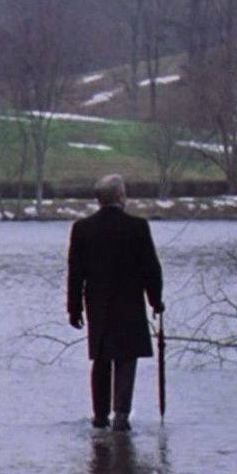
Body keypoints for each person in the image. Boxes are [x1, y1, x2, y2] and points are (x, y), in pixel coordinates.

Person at [66, 173, 164, 431]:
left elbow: (75, 273)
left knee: (101, 359)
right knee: (126, 358)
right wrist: (156, 301)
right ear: (121, 196)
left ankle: (99, 417)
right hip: (130, 302)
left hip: (97, 304)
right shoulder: (137, 227)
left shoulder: (83, 229)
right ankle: (121, 415)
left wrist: (74, 308)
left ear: (98, 200)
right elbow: (151, 269)